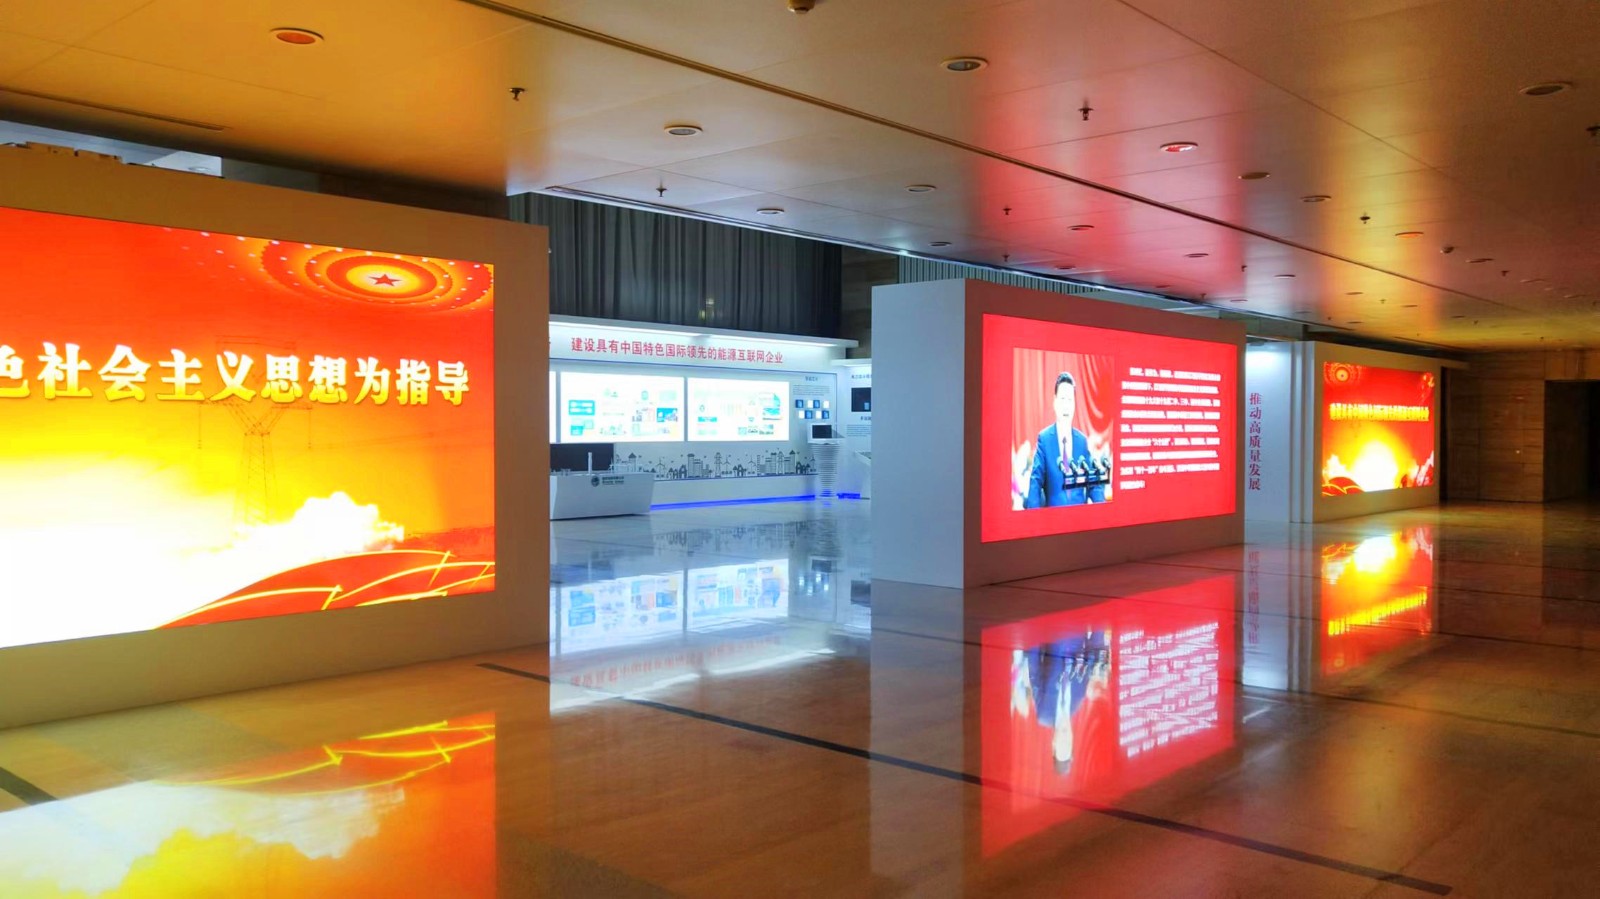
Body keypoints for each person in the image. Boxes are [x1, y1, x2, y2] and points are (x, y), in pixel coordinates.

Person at [1024, 372, 1106, 508]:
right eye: (1062, 399)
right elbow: (1035, 483)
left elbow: (1094, 484)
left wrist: (1104, 510)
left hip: (1080, 518)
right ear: (1055, 402)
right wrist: (1033, 518)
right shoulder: (1044, 439)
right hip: (1054, 519)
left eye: (1070, 400)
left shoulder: (1082, 442)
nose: (1066, 405)